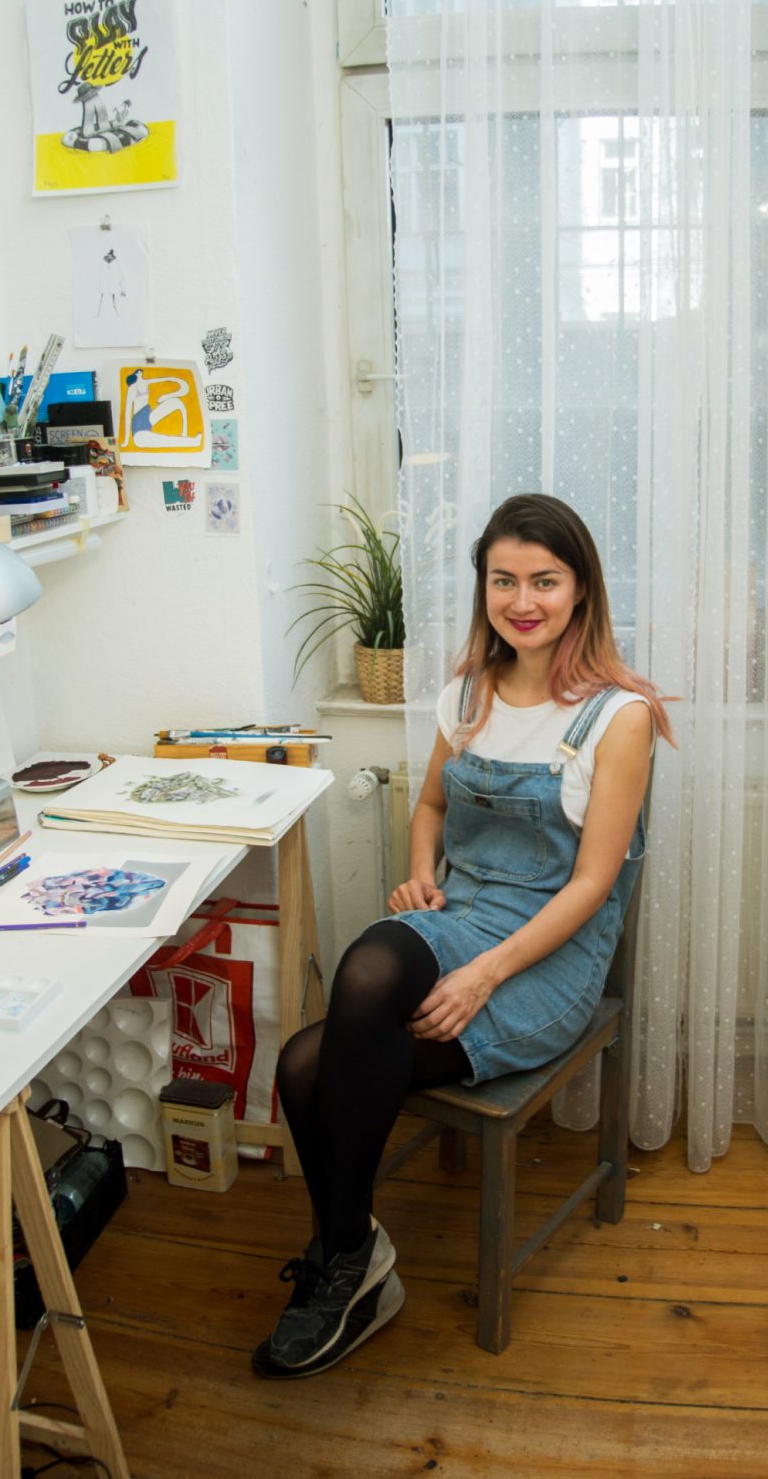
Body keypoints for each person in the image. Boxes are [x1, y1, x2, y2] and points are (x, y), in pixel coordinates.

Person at [254, 493, 673, 1379]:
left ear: (582, 590)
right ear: (483, 588)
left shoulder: (619, 716)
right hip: (462, 917)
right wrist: (421, 872)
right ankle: (352, 1253)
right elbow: (433, 807)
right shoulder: (468, 694)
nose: (523, 601)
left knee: (307, 1066)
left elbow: (593, 886)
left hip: (547, 957)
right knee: (360, 978)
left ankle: (345, 1263)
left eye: (545, 581)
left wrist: (484, 976)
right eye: (503, 581)